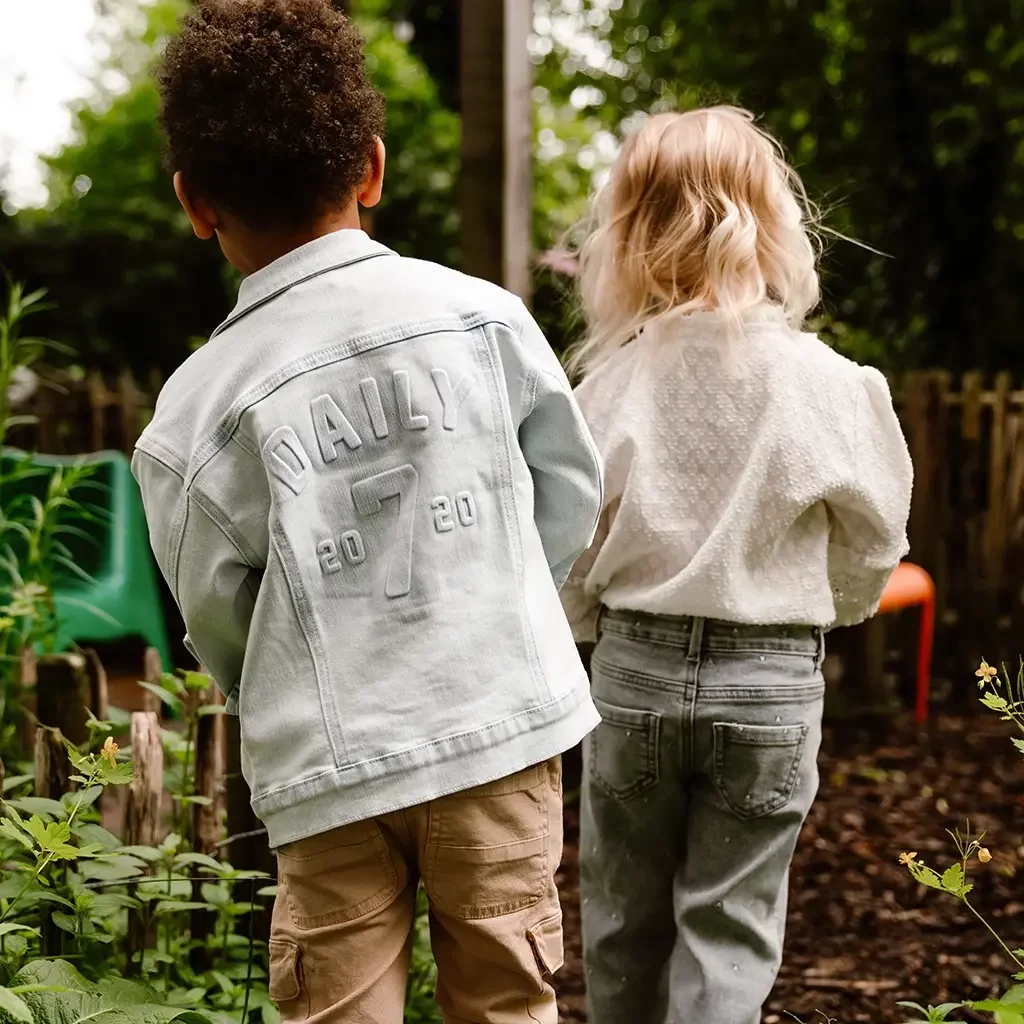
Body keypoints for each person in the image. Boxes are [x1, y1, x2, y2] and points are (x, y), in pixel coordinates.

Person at [134, 3, 603, 1021]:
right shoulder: (483, 320)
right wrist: (502, 596)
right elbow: (568, 489)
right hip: (498, 728)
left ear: (194, 204)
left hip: (328, 769)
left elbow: (214, 614)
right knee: (508, 1002)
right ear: (374, 168)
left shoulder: (194, 409)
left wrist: (284, 675)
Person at [561, 106, 913, 1024]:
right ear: (773, 221)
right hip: (770, 681)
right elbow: (876, 539)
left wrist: (587, 630)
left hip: (631, 673)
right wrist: (816, 610)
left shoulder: (611, 387)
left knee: (619, 929)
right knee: (732, 934)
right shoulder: (831, 385)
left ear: (630, 236)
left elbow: (568, 546)